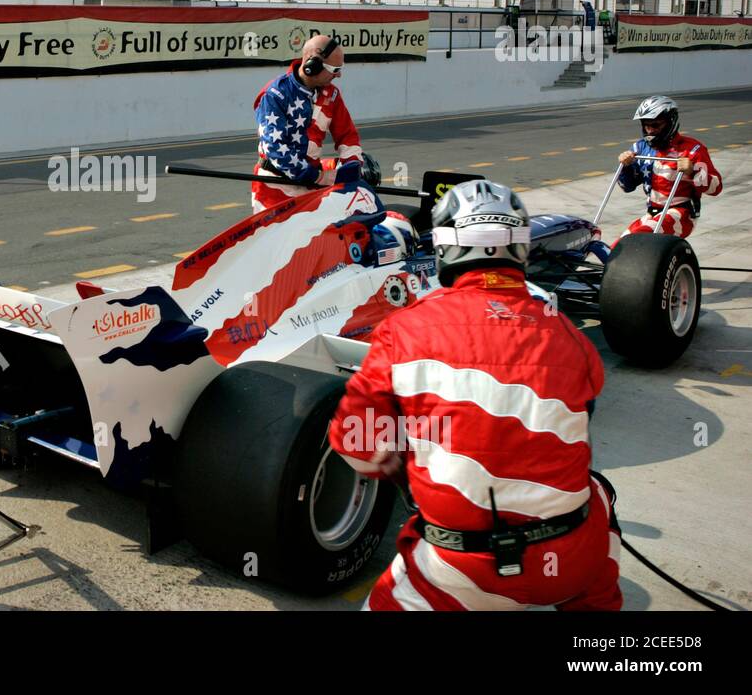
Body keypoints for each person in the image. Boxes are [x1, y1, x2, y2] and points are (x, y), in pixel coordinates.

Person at [329, 180, 621, 611]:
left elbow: (354, 441)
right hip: (573, 560)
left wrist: (399, 462)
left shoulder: (404, 328)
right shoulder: (567, 332)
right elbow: (582, 418)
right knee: (599, 493)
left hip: (462, 568)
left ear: (446, 248)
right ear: (519, 248)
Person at [251, 33, 364, 213]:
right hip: (273, 189)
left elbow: (347, 135)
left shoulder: (332, 95)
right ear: (313, 65)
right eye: (334, 69)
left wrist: (354, 165)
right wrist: (319, 177)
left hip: (311, 188)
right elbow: (275, 147)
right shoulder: (275, 94)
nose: (339, 75)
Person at [616, 95, 722, 239]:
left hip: (682, 215)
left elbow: (716, 188)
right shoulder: (639, 147)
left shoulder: (693, 149)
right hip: (652, 214)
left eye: (655, 125)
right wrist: (625, 166)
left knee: (638, 237)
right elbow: (626, 187)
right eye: (646, 125)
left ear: (670, 122)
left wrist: (693, 171)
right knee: (619, 245)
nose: (650, 131)